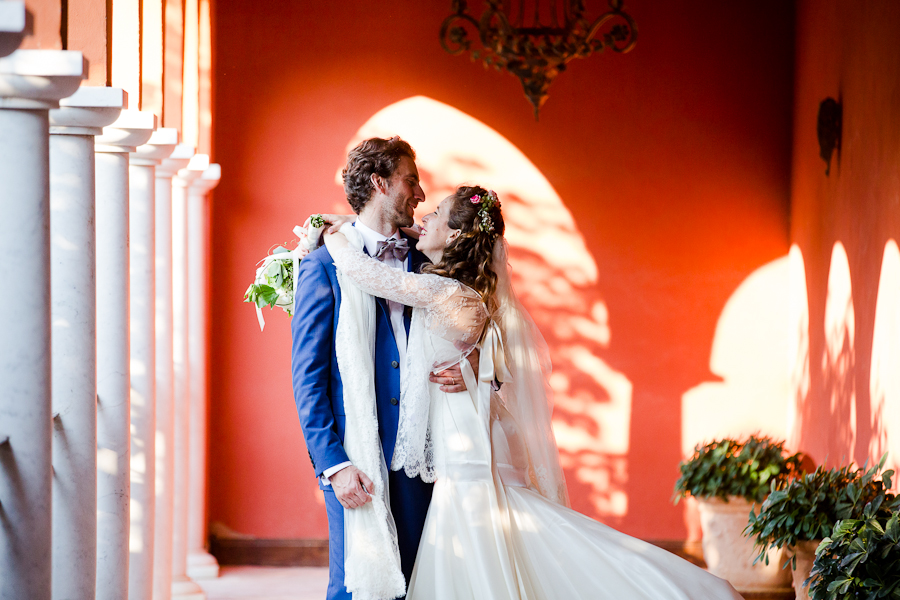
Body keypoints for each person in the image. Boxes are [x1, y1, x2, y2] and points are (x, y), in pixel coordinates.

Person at [321, 184, 745, 599]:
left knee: (509, 544)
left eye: (434, 216)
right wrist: (355, 224)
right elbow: (413, 239)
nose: (421, 218)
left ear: (452, 236)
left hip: (468, 449)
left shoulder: (446, 291)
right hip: (467, 442)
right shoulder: (462, 291)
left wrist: (329, 235)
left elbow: (366, 273)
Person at [290, 137, 474, 600]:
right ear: (380, 183)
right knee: (354, 586)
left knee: (420, 583)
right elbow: (308, 379)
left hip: (422, 457)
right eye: (411, 181)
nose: (421, 194)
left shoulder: (430, 263)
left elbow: (476, 324)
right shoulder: (324, 267)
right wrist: (334, 465)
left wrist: (471, 361)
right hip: (358, 461)